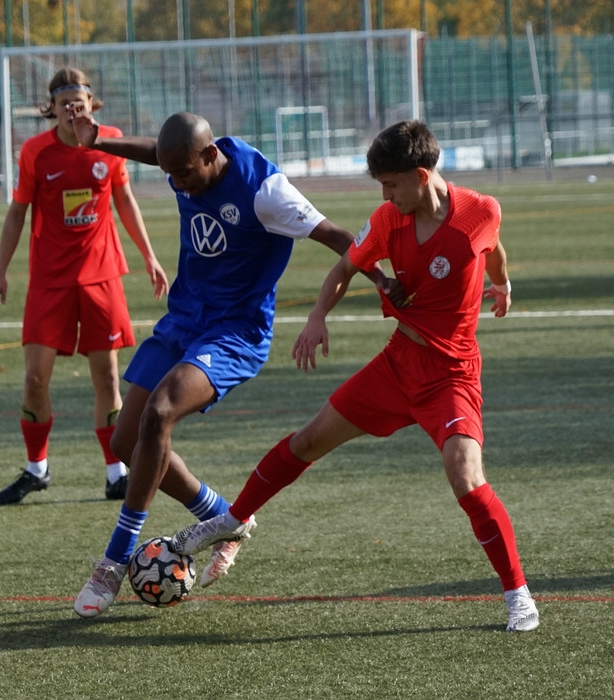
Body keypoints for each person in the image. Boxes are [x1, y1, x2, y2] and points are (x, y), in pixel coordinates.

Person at [169, 120, 539, 633]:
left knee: (467, 478)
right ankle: (231, 521)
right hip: (395, 366)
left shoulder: (481, 211)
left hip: (451, 376)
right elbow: (344, 267)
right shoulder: (388, 221)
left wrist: (502, 283)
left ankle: (518, 594)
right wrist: (317, 316)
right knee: (306, 441)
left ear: (421, 176)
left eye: (391, 185)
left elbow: (492, 246)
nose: (385, 196)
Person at [68, 110, 393, 617]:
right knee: (126, 442)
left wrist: (383, 280)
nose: (179, 185)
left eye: (184, 174)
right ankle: (223, 516)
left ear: (210, 155)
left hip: (234, 333)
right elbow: (157, 153)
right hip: (184, 319)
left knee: (160, 411)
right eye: (171, 175)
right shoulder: (184, 162)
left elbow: (335, 235)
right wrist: (99, 143)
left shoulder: (266, 191)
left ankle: (113, 562)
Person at [0, 67, 169, 505]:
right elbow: (17, 213)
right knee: (35, 378)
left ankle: (115, 472)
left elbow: (124, 200)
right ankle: (37, 468)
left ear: (91, 105)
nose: (72, 110)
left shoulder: (111, 142)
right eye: (64, 103)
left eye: (79, 102)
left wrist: (149, 256)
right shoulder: (35, 152)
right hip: (49, 280)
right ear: (51, 108)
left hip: (101, 277)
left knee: (107, 377)